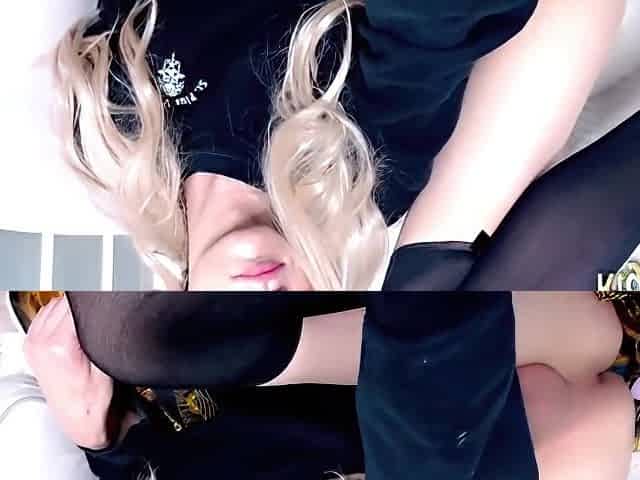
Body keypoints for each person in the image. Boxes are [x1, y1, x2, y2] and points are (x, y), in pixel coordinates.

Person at [54, 0, 632, 291]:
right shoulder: (362, 167)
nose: (268, 301)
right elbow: (436, 23)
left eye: (232, 332)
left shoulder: (116, 132)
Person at [24, 291, 633, 479]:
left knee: (591, 338)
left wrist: (96, 436)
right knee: (596, 404)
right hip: (398, 438)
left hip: (277, 380)